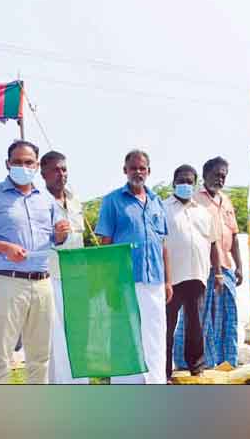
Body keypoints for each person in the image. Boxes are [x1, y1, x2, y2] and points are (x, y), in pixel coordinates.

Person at [0, 140, 70, 384]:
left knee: (41, 356)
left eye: (29, 162)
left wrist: (60, 236)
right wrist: (3, 247)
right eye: (18, 162)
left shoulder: (45, 199)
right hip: (6, 281)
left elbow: (52, 239)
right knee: (2, 355)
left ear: (37, 165)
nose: (23, 166)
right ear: (7, 164)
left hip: (42, 283)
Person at [94, 149, 171, 384]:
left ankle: (155, 383)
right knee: (125, 334)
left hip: (155, 280)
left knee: (155, 335)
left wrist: (168, 281)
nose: (138, 172)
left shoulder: (157, 202)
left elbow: (163, 245)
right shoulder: (112, 201)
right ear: (125, 170)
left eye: (142, 168)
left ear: (148, 171)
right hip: (124, 280)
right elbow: (104, 245)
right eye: (133, 167)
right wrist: (108, 283)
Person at [163, 164, 222, 381]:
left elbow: (214, 243)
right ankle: (164, 371)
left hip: (197, 276)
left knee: (195, 324)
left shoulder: (203, 212)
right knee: (167, 326)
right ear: (174, 183)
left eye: (189, 181)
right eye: (181, 180)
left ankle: (196, 366)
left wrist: (218, 273)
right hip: (171, 278)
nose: (185, 184)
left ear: (195, 183)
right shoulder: (163, 208)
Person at [40, 150, 89, 385]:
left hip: (77, 276)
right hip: (52, 276)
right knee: (55, 339)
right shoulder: (37, 201)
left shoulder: (75, 199)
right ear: (43, 173)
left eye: (64, 169)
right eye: (55, 170)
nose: (61, 174)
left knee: (79, 334)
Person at [193, 156, 243, 368]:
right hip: (204, 269)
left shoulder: (226, 201)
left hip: (227, 268)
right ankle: (204, 365)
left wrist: (239, 266)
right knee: (205, 320)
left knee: (229, 319)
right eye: (216, 175)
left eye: (224, 176)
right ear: (205, 176)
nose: (220, 179)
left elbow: (234, 236)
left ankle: (228, 364)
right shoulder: (195, 200)